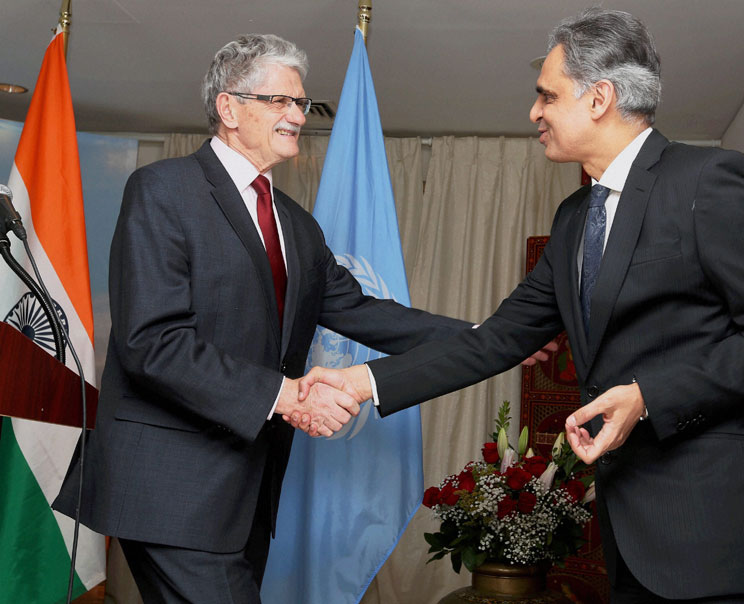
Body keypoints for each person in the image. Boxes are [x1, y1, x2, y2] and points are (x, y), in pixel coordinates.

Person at [301, 9, 744, 603]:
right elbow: (495, 340)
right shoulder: (574, 218)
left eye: (546, 96)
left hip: (730, 534)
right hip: (632, 538)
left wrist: (650, 395)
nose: (534, 113)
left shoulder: (708, 180)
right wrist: (360, 382)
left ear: (599, 97)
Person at [51, 33, 500, 603]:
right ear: (229, 108)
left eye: (301, 104)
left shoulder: (296, 224)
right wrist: (287, 396)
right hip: (170, 488)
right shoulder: (163, 190)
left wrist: (489, 338)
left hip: (249, 493)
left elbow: (362, 312)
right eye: (281, 102)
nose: (297, 115)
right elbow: (152, 343)